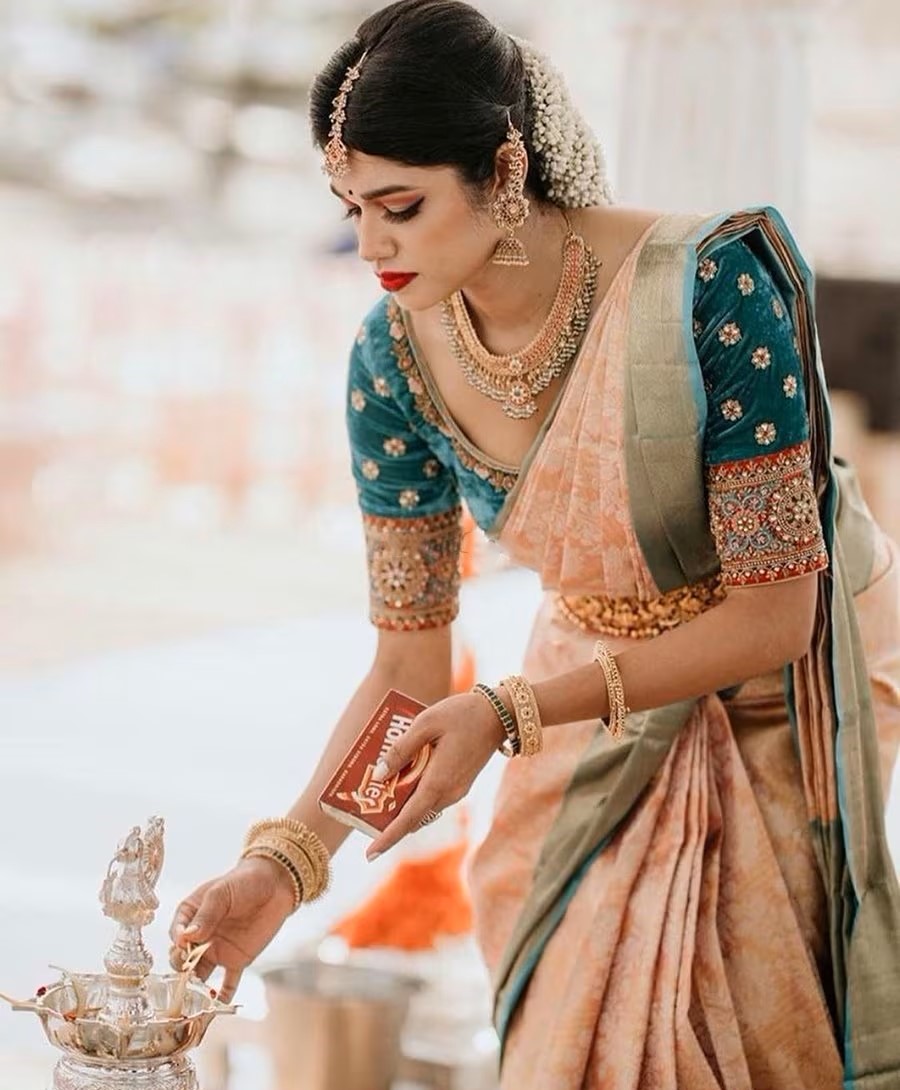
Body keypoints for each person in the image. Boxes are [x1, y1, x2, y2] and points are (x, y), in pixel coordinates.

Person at [169, 2, 900, 1086]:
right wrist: (285, 865)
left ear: (504, 169)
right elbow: (411, 671)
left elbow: (773, 616)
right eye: (351, 206)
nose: (370, 244)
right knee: (568, 1035)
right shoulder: (393, 364)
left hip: (776, 704)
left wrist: (510, 711)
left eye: (400, 207)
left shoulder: (710, 293)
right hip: (581, 700)